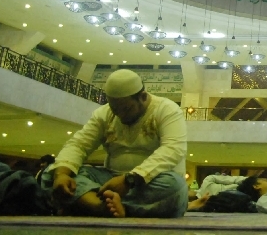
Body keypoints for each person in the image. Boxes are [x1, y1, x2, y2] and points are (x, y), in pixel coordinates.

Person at [46, 69, 188, 218]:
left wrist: (130, 179)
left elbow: (173, 149)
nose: (120, 115)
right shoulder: (104, 114)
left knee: (175, 187)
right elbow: (79, 144)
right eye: (115, 109)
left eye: (126, 109)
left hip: (149, 184)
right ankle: (106, 208)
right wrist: (62, 174)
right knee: (52, 173)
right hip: (110, 181)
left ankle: (88, 204)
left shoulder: (167, 109)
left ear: (143, 97)